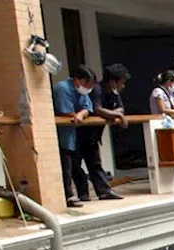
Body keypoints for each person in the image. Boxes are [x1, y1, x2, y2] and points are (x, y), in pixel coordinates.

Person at [75, 63, 128, 202]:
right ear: (112, 82)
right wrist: (118, 115)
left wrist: (115, 113)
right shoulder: (97, 89)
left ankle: (104, 192)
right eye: (121, 83)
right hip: (81, 132)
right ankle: (82, 193)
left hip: (94, 135)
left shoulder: (114, 93)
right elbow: (97, 109)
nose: (123, 86)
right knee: (75, 165)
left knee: (95, 163)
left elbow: (121, 108)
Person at [53, 64, 97, 208]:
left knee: (75, 165)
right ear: (77, 80)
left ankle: (82, 193)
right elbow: (65, 111)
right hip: (62, 134)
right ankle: (68, 196)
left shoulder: (82, 92)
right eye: (87, 84)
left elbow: (87, 108)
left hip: (74, 134)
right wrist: (76, 115)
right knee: (66, 167)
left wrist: (80, 114)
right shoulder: (62, 88)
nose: (88, 88)